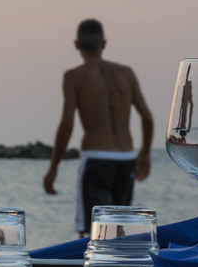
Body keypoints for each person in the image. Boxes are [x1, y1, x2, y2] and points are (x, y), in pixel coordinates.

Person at [43, 19, 154, 236]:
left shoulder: (74, 76)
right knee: (120, 229)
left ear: (77, 45)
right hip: (125, 159)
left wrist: (53, 168)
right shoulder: (126, 73)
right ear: (104, 43)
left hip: (96, 159)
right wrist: (145, 153)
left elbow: (67, 125)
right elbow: (147, 118)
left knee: (92, 233)